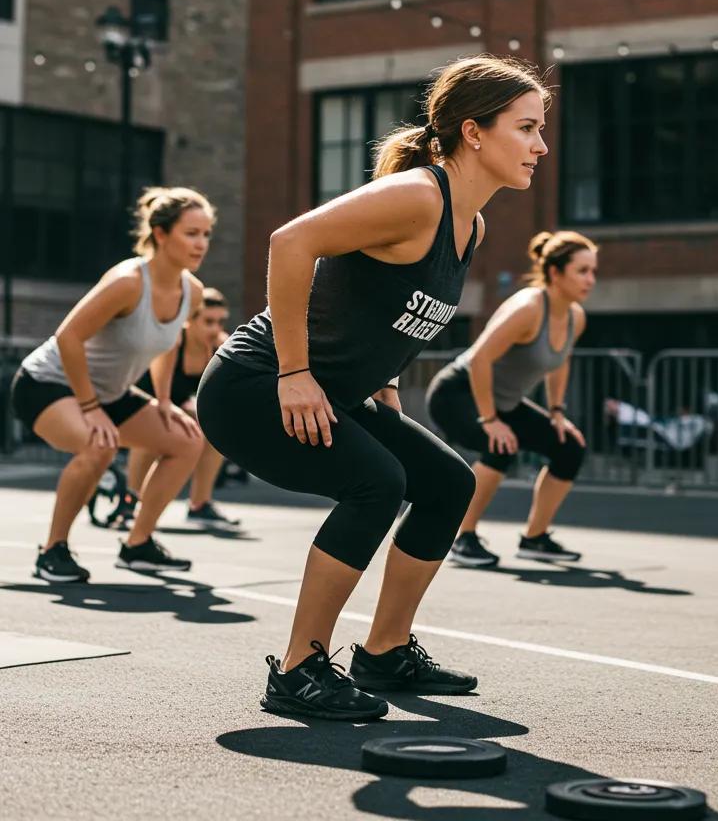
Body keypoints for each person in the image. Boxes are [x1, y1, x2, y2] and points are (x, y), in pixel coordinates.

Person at [197, 55, 550, 721]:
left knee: (448, 483)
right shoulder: (420, 195)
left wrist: (384, 375)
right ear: (474, 132)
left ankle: (384, 652)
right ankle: (299, 670)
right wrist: (294, 372)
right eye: (526, 128)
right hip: (254, 385)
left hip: (332, 391)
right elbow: (290, 242)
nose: (541, 145)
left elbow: (380, 299)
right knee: (377, 483)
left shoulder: (470, 224)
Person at [11, 187, 213, 582]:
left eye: (206, 234)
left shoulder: (192, 291)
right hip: (48, 383)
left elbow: (167, 345)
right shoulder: (127, 282)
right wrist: (90, 408)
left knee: (186, 439)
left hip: (108, 393)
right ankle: (52, 551)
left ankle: (138, 544)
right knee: (97, 445)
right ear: (160, 234)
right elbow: (68, 337)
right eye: (191, 233)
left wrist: (165, 401)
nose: (201, 243)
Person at [426, 231, 596, 568]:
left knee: (568, 447)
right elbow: (479, 360)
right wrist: (491, 421)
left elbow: (561, 361)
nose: (591, 279)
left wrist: (557, 411)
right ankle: (464, 538)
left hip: (502, 401)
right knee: (501, 445)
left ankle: (535, 538)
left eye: (593, 270)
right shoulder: (529, 308)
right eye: (582, 271)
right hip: (457, 393)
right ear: (555, 273)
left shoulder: (575, 316)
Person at [130, 287, 242, 530]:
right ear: (189, 321)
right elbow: (154, 394)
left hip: (177, 402)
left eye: (220, 321)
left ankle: (199, 505)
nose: (215, 328)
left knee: (214, 431)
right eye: (208, 321)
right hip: (139, 400)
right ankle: (131, 500)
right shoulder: (172, 342)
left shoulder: (221, 347)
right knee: (156, 431)